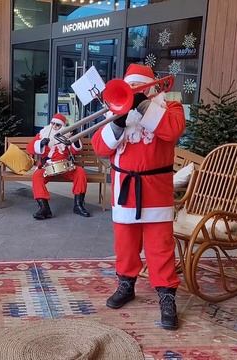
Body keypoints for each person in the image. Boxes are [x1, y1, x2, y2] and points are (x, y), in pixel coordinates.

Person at [91, 64, 185, 330]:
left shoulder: (170, 108)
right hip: (124, 191)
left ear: (150, 89)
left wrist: (144, 107)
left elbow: (173, 130)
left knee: (160, 247)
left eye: (138, 89)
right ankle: (126, 285)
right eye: (130, 89)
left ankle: (167, 296)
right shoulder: (114, 112)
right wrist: (118, 122)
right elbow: (99, 147)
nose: (132, 94)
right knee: (125, 245)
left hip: (157, 191)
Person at [26, 113, 91, 220]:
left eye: (58, 125)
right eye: (53, 124)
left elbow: (75, 150)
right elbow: (30, 148)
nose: (54, 126)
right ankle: (44, 208)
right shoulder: (43, 134)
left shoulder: (67, 136)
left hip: (65, 167)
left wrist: (75, 137)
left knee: (80, 172)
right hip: (48, 167)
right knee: (37, 176)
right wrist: (41, 144)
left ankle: (78, 205)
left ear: (62, 127)